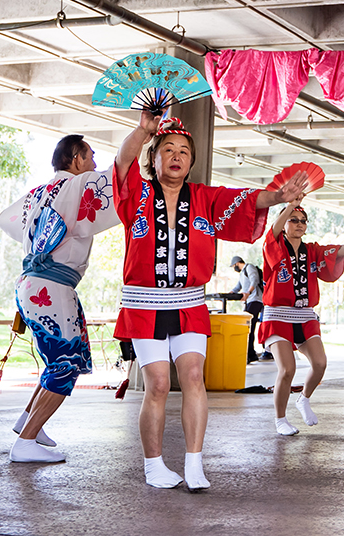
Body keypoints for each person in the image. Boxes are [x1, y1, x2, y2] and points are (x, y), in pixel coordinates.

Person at [113, 113, 306, 490]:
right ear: (153, 158)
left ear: (192, 161)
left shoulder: (205, 198)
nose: (176, 155)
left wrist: (279, 197)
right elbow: (121, 165)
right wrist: (142, 131)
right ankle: (154, 465)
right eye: (167, 149)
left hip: (188, 303)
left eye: (184, 150)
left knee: (193, 378)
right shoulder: (137, 193)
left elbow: (248, 200)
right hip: (144, 302)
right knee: (156, 384)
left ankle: (195, 463)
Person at [0, 135, 119, 463]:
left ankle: (29, 423)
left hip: (35, 283)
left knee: (62, 360)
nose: (94, 164)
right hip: (51, 286)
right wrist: (142, 134)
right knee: (64, 365)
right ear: (76, 159)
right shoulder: (74, 187)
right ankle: (25, 441)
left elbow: (6, 219)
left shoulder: (39, 192)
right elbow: (117, 175)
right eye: (90, 157)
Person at [260, 197, 344, 436]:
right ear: (285, 222)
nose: (299, 224)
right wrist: (291, 204)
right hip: (278, 315)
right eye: (294, 220)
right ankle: (280, 419)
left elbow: (336, 251)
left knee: (320, 363)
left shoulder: (311, 250)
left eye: (303, 221)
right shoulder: (274, 245)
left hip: (305, 314)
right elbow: (273, 230)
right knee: (287, 370)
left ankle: (303, 399)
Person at [229, 255, 265, 363]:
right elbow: (238, 287)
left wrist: (248, 292)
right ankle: (249, 353)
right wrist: (230, 293)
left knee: (249, 327)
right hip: (249, 301)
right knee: (248, 327)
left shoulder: (249, 268)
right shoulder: (242, 273)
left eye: (234, 266)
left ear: (237, 263)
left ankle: (250, 353)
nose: (234, 268)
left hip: (255, 299)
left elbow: (255, 280)